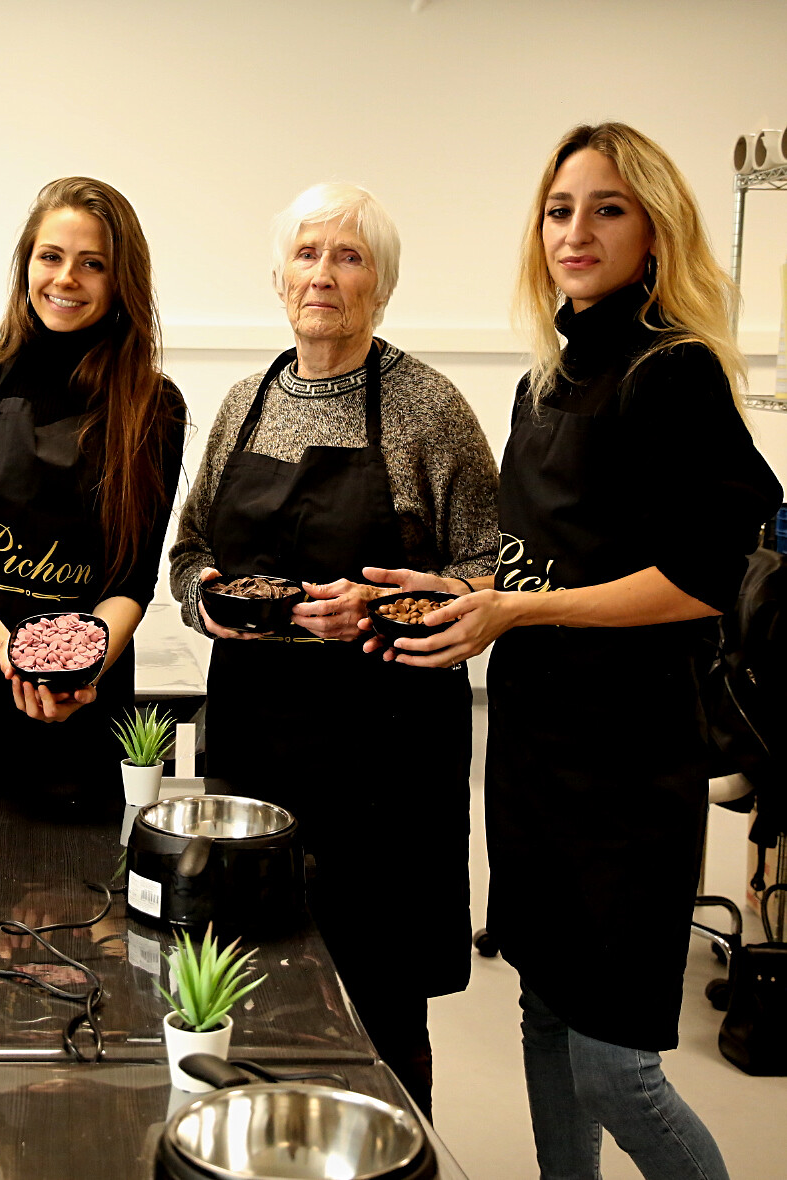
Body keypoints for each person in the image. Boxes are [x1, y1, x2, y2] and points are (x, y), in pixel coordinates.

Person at [374, 123, 780, 1177]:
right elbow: (535, 562)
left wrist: (523, 615)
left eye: (607, 208)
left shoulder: (671, 372)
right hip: (535, 754)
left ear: (654, 231)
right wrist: (466, 589)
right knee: (543, 1009)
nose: (576, 230)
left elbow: (697, 578)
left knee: (618, 1071)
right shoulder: (546, 381)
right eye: (560, 209)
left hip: (627, 769)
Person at [168, 183, 499, 1116]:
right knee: (247, 978)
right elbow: (188, 552)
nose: (324, 274)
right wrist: (207, 604)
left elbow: (489, 573)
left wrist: (386, 609)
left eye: (349, 257)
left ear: (382, 285)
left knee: (381, 1002)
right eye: (308, 254)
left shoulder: (430, 409)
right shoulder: (244, 402)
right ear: (278, 278)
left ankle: (395, 1155)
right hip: (251, 746)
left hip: (385, 756)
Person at [0, 177, 185, 804]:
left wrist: (73, 672)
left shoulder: (153, 406)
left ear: (120, 283)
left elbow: (132, 580)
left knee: (79, 892)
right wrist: (9, 649)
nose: (66, 279)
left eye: (93, 265)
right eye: (51, 257)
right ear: (26, 264)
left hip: (82, 701)